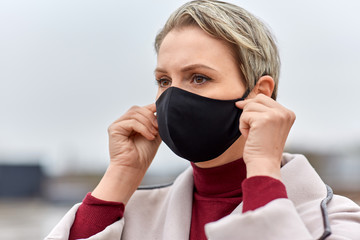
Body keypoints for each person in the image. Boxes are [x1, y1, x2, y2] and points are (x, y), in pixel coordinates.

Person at [45, 1, 360, 239]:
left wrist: (262, 166)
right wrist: (122, 173)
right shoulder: (128, 214)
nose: (173, 98)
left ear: (259, 94)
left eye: (198, 78)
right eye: (164, 81)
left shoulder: (336, 221)